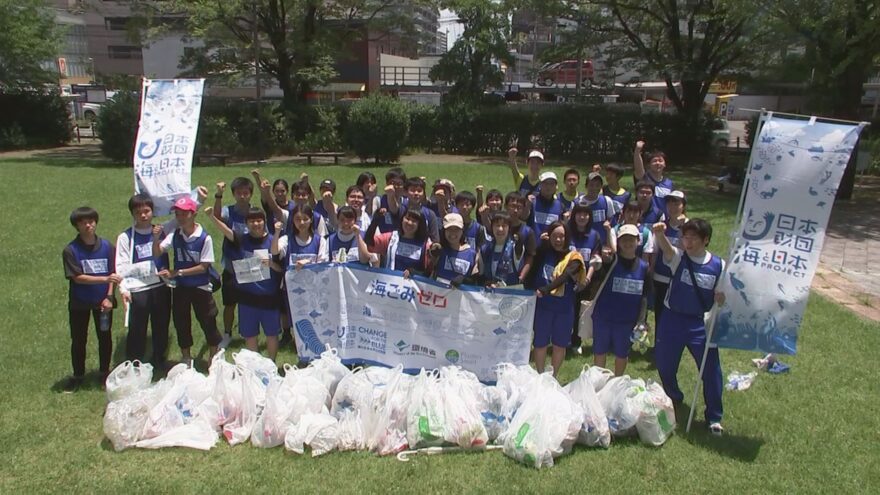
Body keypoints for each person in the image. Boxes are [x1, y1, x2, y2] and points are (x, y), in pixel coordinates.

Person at [652, 218, 726, 435]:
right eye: (685, 237)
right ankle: (673, 397)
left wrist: (722, 298)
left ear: (706, 240)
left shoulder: (719, 265)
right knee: (665, 365)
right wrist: (659, 233)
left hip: (700, 324)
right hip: (672, 319)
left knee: (711, 371)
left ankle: (714, 416)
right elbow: (667, 249)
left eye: (694, 237)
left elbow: (724, 296)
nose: (688, 241)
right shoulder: (680, 258)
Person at [205, 206, 284, 361]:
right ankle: (254, 366)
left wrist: (271, 264)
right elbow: (226, 231)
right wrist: (211, 217)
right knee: (250, 335)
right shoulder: (241, 239)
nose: (256, 224)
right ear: (246, 223)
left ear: (264, 222)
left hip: (269, 297)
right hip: (247, 298)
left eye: (259, 220)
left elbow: (282, 268)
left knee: (272, 334)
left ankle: (272, 364)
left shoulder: (273, 242)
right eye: (252, 221)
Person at [153, 197, 222, 365]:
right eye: (178, 214)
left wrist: (178, 272)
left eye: (185, 214)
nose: (181, 217)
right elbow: (158, 252)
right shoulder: (175, 234)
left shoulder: (204, 238)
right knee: (181, 321)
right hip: (181, 287)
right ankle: (186, 356)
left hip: (200, 286)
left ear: (194, 214)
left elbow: (204, 266)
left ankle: (213, 354)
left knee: (208, 320)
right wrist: (155, 239)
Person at [62, 207, 120, 392]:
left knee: (105, 337)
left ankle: (104, 373)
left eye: (91, 221)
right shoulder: (71, 250)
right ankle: (78, 375)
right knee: (79, 339)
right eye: (83, 222)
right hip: (80, 303)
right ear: (77, 226)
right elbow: (77, 277)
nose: (88, 225)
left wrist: (109, 296)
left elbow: (114, 273)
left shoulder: (107, 247)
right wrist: (105, 279)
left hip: (103, 303)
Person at [115, 194, 172, 368]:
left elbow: (182, 218)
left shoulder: (161, 231)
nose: (143, 215)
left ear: (152, 212)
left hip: (160, 286)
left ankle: (159, 360)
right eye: (138, 212)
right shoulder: (126, 237)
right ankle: (134, 363)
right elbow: (121, 266)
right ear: (132, 214)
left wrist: (198, 197)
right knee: (137, 328)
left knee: (161, 325)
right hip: (138, 289)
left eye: (147, 211)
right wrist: (123, 289)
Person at [591, 224, 649, 376]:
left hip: (627, 321)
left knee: (622, 354)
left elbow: (644, 296)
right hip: (604, 317)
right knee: (600, 351)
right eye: (624, 239)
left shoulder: (644, 268)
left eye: (632, 239)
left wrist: (641, 320)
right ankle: (598, 382)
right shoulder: (611, 262)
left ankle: (618, 381)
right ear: (618, 241)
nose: (628, 243)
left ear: (638, 241)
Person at [531, 221, 587, 376]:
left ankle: (553, 377)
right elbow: (532, 267)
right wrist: (540, 246)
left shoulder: (574, 258)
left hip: (564, 309)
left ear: (567, 237)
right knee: (540, 342)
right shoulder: (544, 253)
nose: (558, 240)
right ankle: (540, 375)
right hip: (543, 307)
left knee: (559, 344)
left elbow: (565, 276)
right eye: (554, 236)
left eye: (561, 236)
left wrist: (546, 289)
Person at [272, 204, 329, 348]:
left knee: (314, 318)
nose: (301, 223)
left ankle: (315, 346)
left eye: (305, 219)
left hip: (313, 289)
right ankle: (300, 346)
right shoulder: (287, 239)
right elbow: (274, 251)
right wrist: (277, 232)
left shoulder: (319, 240)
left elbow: (323, 263)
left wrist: (308, 262)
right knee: (297, 319)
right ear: (293, 221)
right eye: (298, 219)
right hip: (293, 289)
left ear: (311, 220)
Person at [212, 176, 254, 349]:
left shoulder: (255, 212)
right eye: (239, 193)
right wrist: (218, 196)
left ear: (251, 194)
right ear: (234, 194)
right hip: (231, 265)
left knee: (249, 303)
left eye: (246, 193)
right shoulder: (229, 211)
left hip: (249, 266)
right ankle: (227, 333)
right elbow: (216, 217)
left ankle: (249, 333)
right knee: (229, 304)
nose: (242, 196)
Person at [567, 202, 602, 352]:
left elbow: (595, 260)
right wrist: (574, 278)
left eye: (585, 214)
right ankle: (563, 339)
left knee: (580, 312)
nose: (582, 217)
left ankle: (576, 341)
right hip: (567, 279)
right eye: (579, 214)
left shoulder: (594, 235)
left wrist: (586, 279)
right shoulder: (567, 232)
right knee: (567, 310)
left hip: (586, 280)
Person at [652, 190, 688, 329]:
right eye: (669, 203)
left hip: (680, 278)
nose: (672, 207)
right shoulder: (661, 225)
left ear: (683, 206)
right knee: (659, 314)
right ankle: (658, 346)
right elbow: (655, 250)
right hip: (661, 277)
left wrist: (682, 228)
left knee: (677, 315)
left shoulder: (690, 226)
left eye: (676, 203)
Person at [365, 207, 432, 277]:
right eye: (407, 219)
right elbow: (369, 244)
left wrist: (414, 273)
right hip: (390, 282)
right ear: (402, 219)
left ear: (420, 225)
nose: (409, 223)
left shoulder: (425, 244)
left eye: (414, 221)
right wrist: (375, 220)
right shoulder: (391, 238)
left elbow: (429, 272)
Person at [429, 213, 481, 286]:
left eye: (456, 229)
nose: (452, 233)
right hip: (438, 294)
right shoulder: (438, 250)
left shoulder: (472, 254)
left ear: (462, 230)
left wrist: (465, 280)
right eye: (449, 229)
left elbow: (475, 279)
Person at [389, 177, 440, 242]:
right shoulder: (400, 210)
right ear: (405, 192)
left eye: (419, 191)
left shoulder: (430, 214)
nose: (416, 193)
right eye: (412, 190)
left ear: (424, 193)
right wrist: (390, 194)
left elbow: (435, 239)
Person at [478, 211, 522, 287]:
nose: (500, 229)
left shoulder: (515, 247)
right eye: (497, 225)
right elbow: (481, 274)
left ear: (509, 228)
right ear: (492, 227)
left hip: (511, 295)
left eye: (504, 226)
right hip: (489, 295)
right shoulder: (484, 249)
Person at [504, 192, 537, 286]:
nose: (515, 210)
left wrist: (522, 276)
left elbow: (530, 257)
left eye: (519, 208)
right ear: (505, 206)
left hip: (516, 278)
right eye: (512, 206)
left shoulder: (528, 231)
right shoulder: (499, 227)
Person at [633, 140, 674, 214]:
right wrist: (637, 151)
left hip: (663, 219)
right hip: (645, 218)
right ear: (649, 164)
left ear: (665, 164)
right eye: (655, 161)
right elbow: (638, 168)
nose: (658, 163)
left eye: (660, 161)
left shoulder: (669, 183)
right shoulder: (644, 178)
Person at [578, 172, 617, 245]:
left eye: (597, 185)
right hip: (584, 244)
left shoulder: (606, 201)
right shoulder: (578, 202)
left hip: (602, 244)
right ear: (586, 186)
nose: (594, 188)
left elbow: (612, 221)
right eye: (591, 185)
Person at [526, 171, 565, 237]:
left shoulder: (560, 206)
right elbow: (523, 218)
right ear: (540, 185)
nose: (548, 187)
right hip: (533, 245)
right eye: (545, 183)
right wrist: (527, 206)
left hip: (552, 245)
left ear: (556, 187)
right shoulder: (532, 202)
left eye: (551, 184)